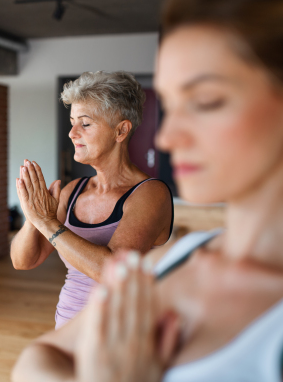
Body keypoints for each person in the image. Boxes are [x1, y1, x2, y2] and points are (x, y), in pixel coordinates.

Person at [11, 0, 283, 381]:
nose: (169, 138)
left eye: (206, 101)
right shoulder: (175, 260)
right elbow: (34, 362)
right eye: (172, 107)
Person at [10, 71, 174, 329]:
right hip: (65, 329)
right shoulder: (73, 190)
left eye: (85, 124)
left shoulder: (150, 194)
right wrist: (34, 217)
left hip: (120, 340)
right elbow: (23, 261)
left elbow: (112, 273)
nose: (72, 133)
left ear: (121, 131)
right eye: (72, 122)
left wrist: (48, 222)